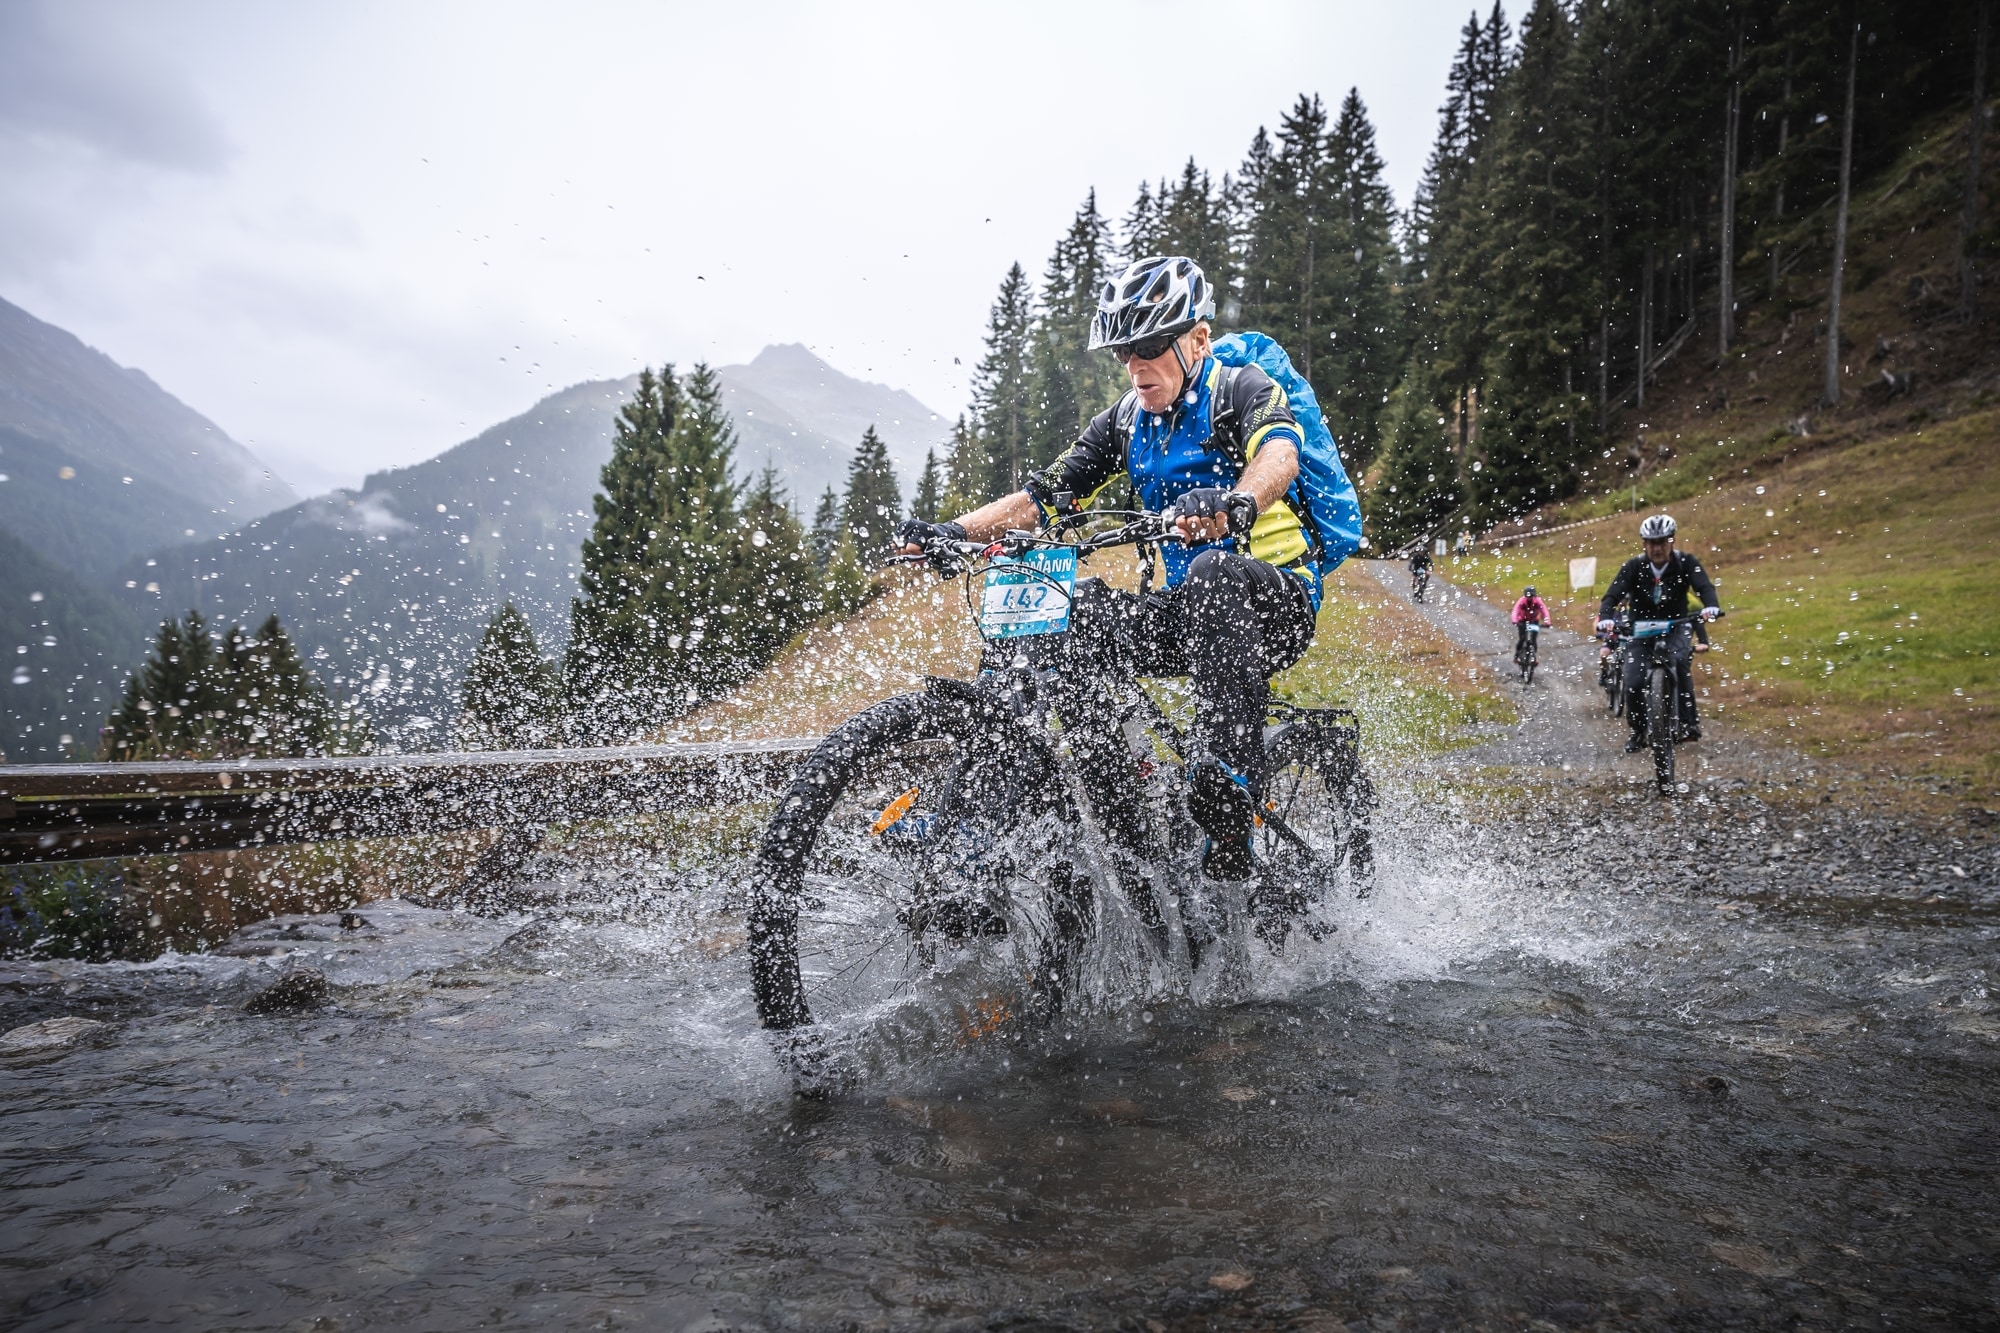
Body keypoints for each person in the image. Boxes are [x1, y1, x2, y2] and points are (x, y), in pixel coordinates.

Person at [896, 255, 1319, 882]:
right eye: (1124, 349)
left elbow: (1280, 450)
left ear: (1198, 338)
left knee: (1211, 571)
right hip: (1194, 615)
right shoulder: (1125, 419)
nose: (1135, 364)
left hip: (1272, 602)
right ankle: (1110, 824)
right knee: (1067, 607)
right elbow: (1042, 499)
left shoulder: (1241, 389)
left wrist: (1237, 502)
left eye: (1150, 345)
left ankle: (1229, 786)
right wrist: (955, 532)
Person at [1595, 514, 1721, 751]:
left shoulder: (1685, 562)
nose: (1658, 548)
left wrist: (1710, 606)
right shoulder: (1633, 566)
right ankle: (1639, 731)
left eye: (1663, 541)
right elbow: (1612, 596)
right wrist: (1605, 618)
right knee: (1632, 682)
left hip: (1677, 626)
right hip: (1640, 631)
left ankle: (1688, 723)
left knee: (1681, 663)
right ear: (1644, 544)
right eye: (1652, 543)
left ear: (1671, 541)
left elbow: (1703, 586)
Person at [1511, 585, 1550, 655]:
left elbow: (1544, 610)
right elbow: (1515, 610)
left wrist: (1547, 622)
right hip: (1522, 621)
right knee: (1522, 639)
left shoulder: (1538, 601)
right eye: (1528, 596)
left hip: (1534, 621)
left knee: (1533, 640)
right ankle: (1517, 654)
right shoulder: (1521, 601)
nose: (1530, 598)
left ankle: (1533, 657)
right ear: (1525, 596)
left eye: (1532, 596)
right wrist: (1515, 621)